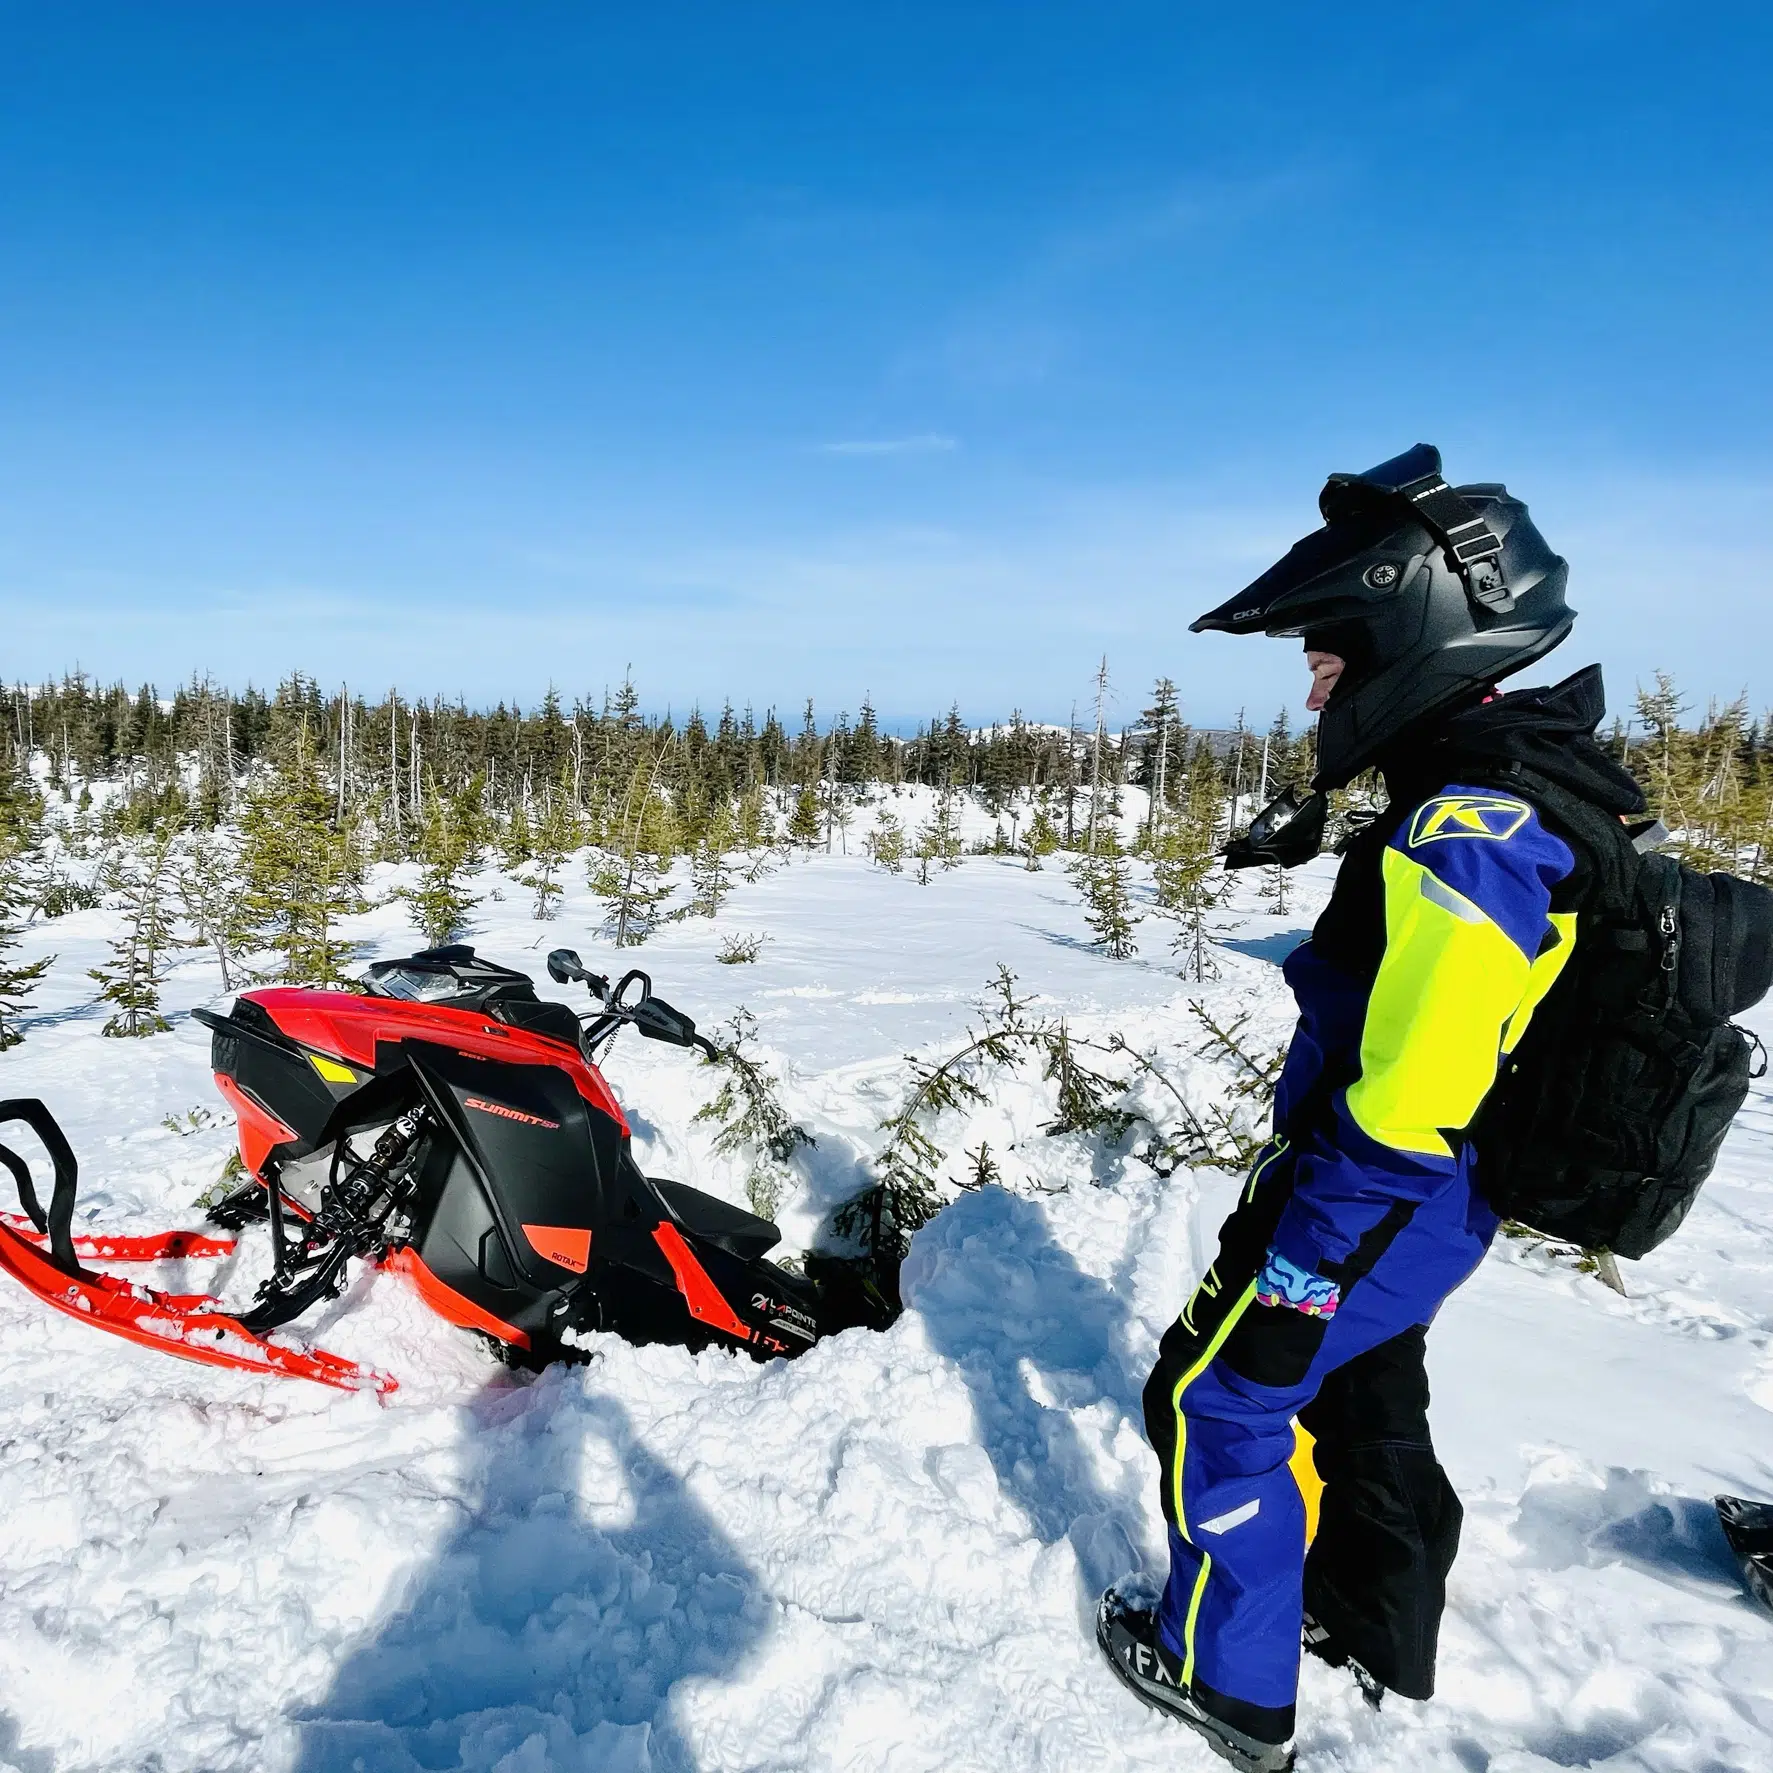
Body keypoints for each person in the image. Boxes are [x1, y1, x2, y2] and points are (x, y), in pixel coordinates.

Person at [1096, 444, 1647, 1772]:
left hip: (1378, 1196)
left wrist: (1304, 1259)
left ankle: (1224, 1679)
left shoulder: (1470, 828)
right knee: (1367, 1393)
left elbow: (1414, 1091)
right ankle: (1371, 1622)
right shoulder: (1503, 782)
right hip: (1430, 1207)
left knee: (1215, 1404)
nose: (1315, 676)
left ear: (1422, 628)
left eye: (1334, 646)